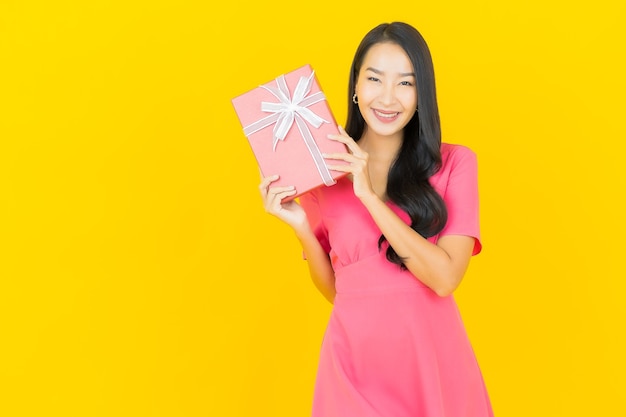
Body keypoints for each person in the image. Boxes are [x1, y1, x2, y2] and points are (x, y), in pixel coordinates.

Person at [259, 21, 494, 417]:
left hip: (430, 363)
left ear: (422, 94)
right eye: (374, 79)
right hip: (351, 364)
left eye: (405, 83)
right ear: (355, 86)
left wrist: (368, 195)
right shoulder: (323, 174)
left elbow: (445, 278)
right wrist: (301, 226)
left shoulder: (455, 163)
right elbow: (338, 290)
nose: (388, 97)